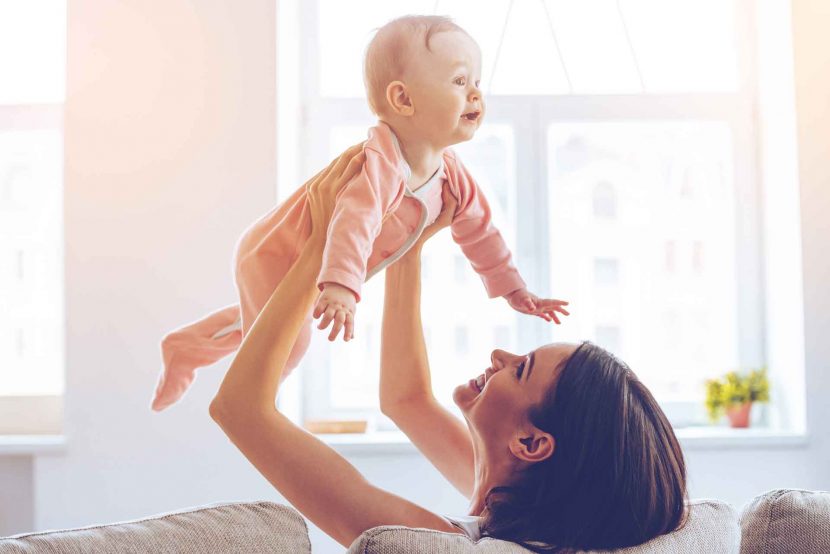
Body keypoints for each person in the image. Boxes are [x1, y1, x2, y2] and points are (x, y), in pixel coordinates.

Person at [209, 146, 688, 552]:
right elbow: (406, 400)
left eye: (521, 371)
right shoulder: (513, 512)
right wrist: (409, 245)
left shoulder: (437, 544)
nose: (501, 355)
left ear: (531, 443)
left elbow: (239, 409)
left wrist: (321, 242)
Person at [151, 15, 568, 412]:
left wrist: (514, 290)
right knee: (286, 346)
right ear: (403, 99)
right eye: (460, 81)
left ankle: (187, 345)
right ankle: (236, 387)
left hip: (316, 270)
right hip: (274, 254)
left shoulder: (451, 174)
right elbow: (355, 222)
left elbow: (481, 232)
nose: (476, 94)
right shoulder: (380, 164)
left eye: (477, 82)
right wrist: (342, 288)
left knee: (264, 325)